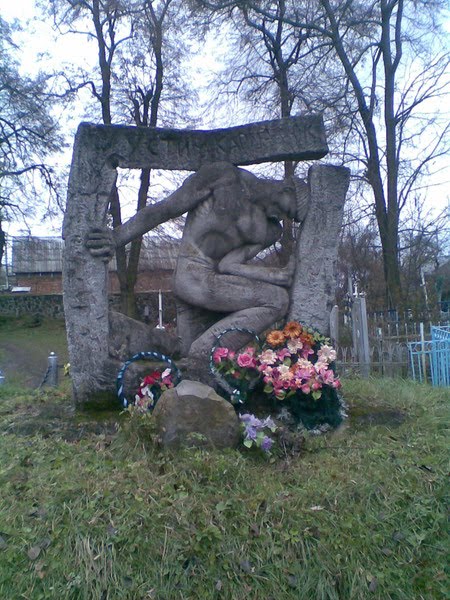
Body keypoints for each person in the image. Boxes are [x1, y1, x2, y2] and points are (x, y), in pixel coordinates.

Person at [86, 161, 309, 362]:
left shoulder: (270, 230)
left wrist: (276, 275)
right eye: (286, 209)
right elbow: (166, 209)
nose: (281, 216)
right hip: (192, 274)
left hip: (212, 284)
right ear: (286, 189)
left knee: (180, 352)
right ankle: (204, 356)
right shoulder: (224, 176)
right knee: (277, 300)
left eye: (288, 217)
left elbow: (229, 265)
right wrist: (116, 237)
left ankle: (117, 327)